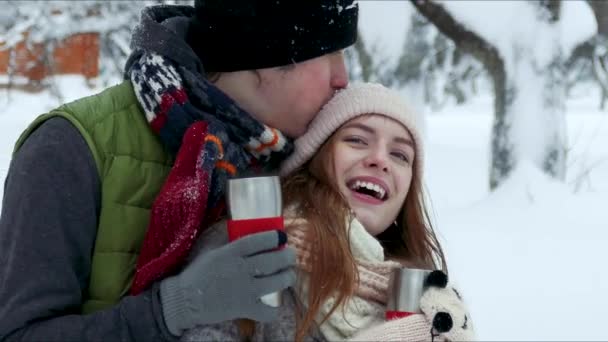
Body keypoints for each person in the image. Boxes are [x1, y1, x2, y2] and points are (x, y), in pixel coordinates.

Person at [0, 1, 358, 341]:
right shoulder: (71, 147)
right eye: (328, 52)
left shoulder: (315, 161)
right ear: (263, 52)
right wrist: (173, 309)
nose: (343, 77)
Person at [181, 83, 476, 341]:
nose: (380, 160)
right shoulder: (249, 246)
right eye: (357, 140)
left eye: (399, 155)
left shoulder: (425, 294)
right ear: (315, 156)